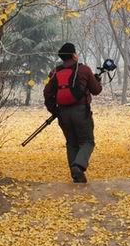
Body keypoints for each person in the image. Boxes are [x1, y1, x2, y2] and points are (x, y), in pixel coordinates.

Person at [43, 43, 102, 183]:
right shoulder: (84, 70)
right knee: (87, 141)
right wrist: (97, 81)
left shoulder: (54, 72)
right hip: (81, 111)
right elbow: (96, 90)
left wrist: (54, 110)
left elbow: (47, 93)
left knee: (71, 143)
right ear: (74, 54)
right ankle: (78, 166)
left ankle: (76, 175)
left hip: (63, 113)